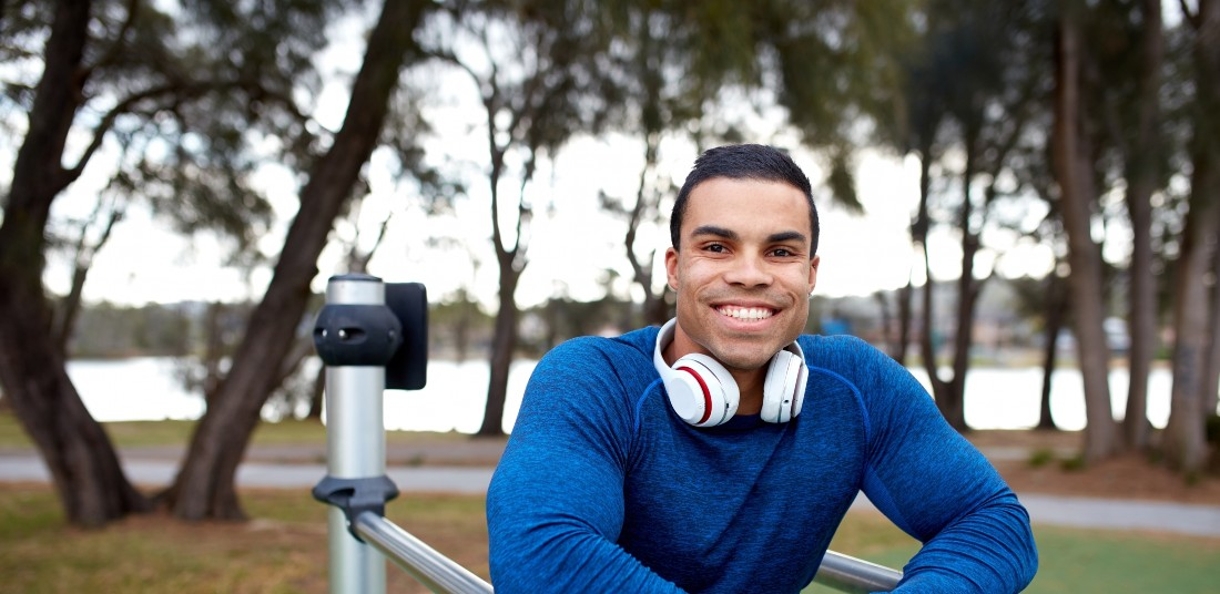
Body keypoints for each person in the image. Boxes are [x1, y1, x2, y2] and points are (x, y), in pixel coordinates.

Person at [486, 143, 1038, 593]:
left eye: (779, 252)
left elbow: (994, 523)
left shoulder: (859, 387)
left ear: (810, 273)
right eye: (718, 246)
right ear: (675, 269)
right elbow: (541, 554)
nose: (750, 274)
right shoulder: (591, 380)